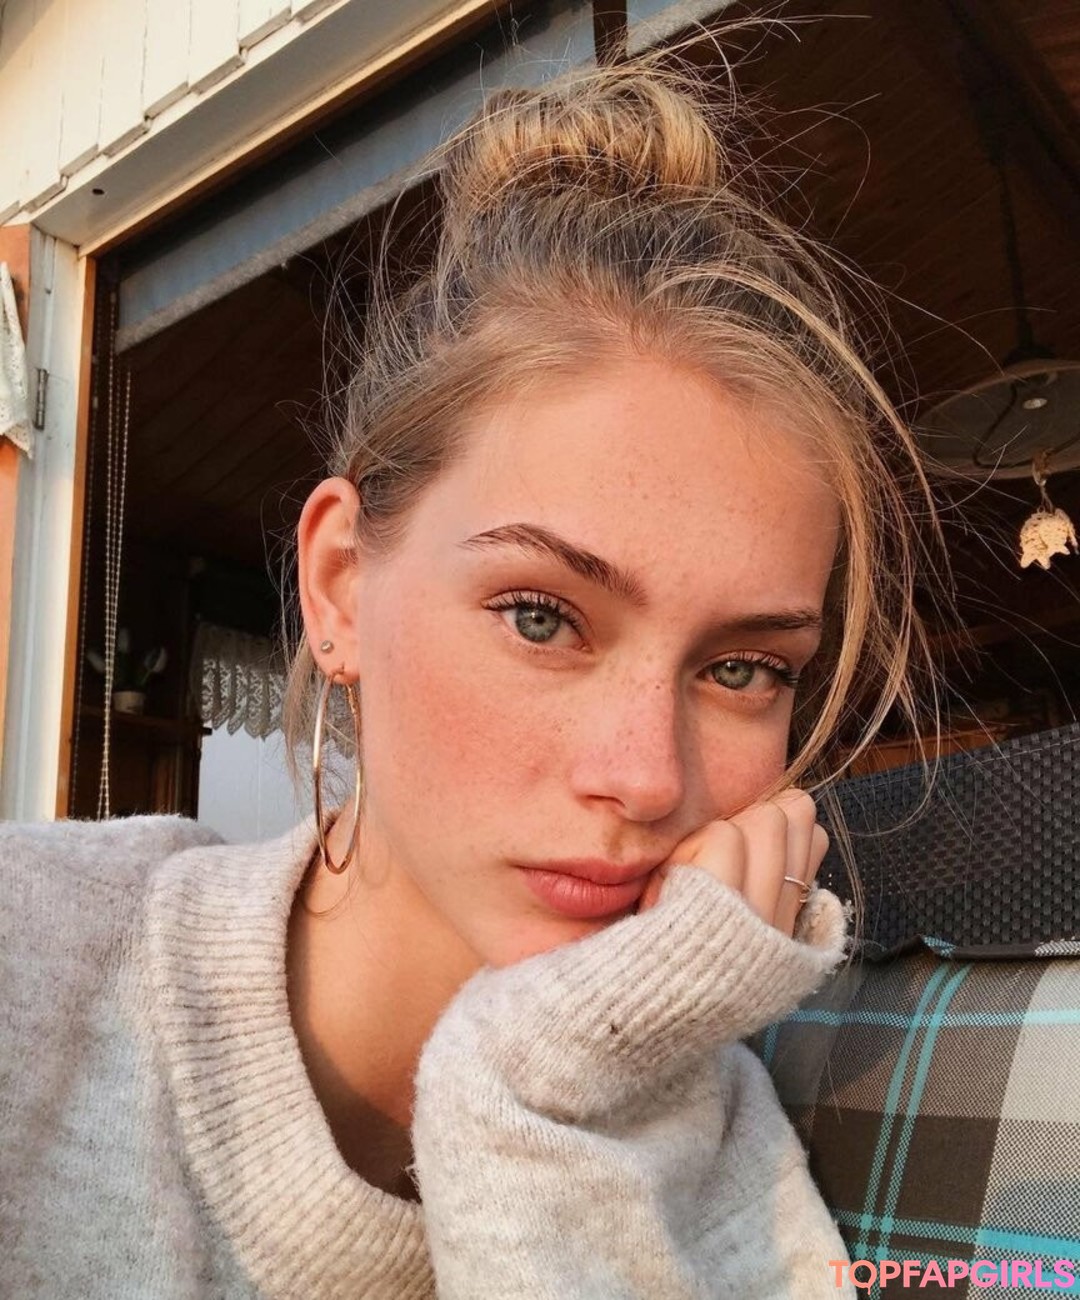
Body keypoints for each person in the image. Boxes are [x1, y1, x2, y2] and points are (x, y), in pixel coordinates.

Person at [0, 53, 938, 1300]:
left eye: (743, 668)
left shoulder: (726, 1162)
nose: (646, 779)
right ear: (341, 586)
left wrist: (546, 1085)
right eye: (542, 617)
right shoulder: (32, 959)